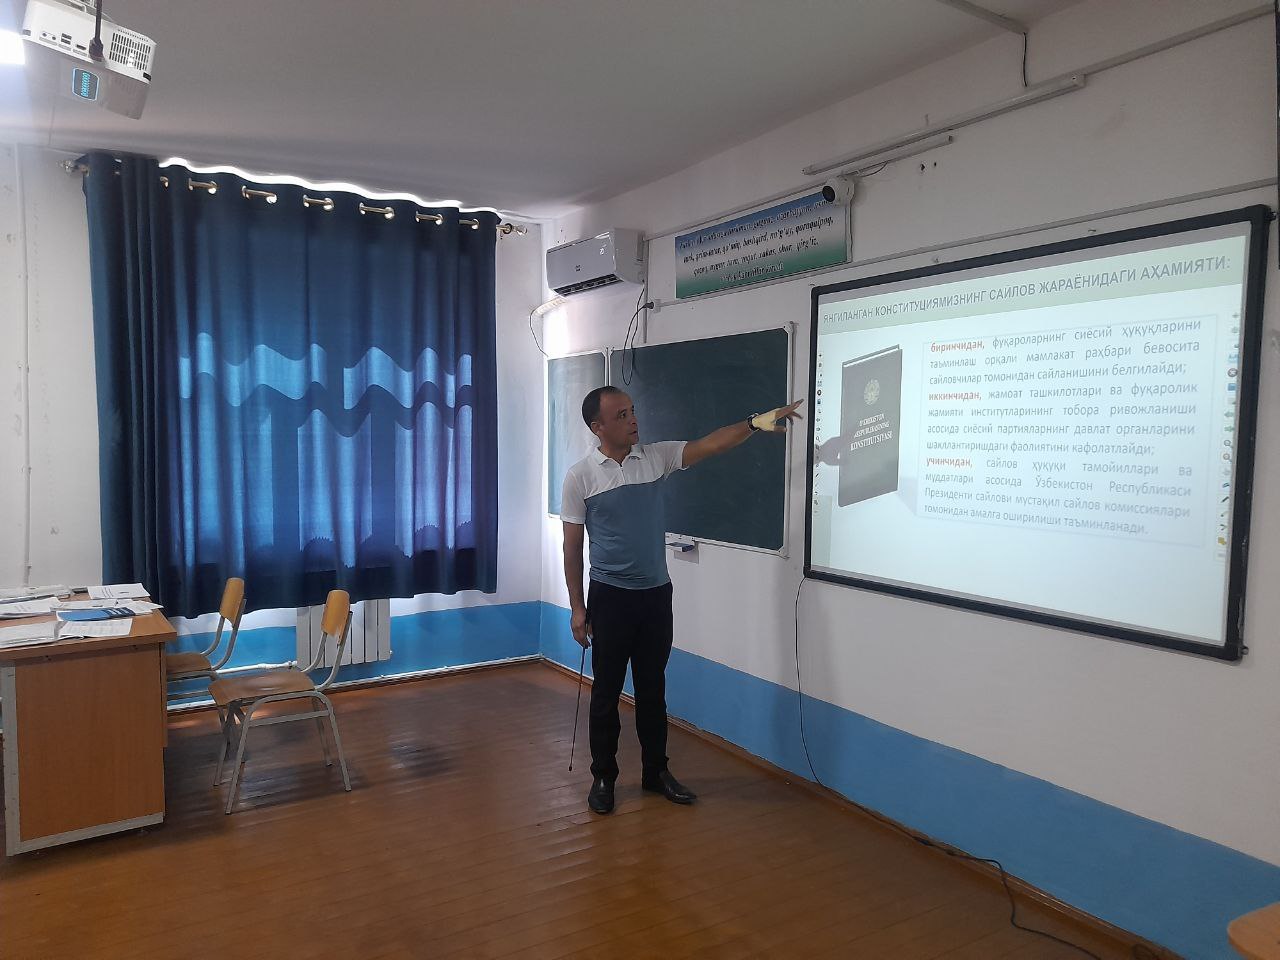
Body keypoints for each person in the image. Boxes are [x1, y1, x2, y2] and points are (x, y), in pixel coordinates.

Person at [561, 386, 802, 814]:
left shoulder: (655, 457)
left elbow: (711, 444)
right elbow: (572, 547)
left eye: (632, 411)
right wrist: (578, 607)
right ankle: (604, 777)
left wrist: (753, 423)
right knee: (606, 693)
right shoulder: (581, 476)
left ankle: (656, 772)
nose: (633, 420)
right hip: (610, 597)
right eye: (621, 415)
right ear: (598, 427)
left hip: (655, 596)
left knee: (653, 690)